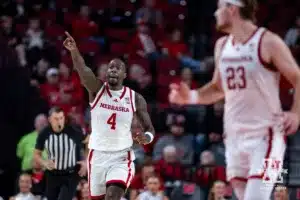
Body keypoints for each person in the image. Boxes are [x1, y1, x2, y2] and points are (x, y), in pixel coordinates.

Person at [169, 0, 300, 199]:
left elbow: (297, 77)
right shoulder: (222, 46)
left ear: (232, 8)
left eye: (219, 8)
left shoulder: (267, 41)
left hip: (265, 135)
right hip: (234, 137)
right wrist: (191, 96)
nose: (215, 14)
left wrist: (296, 113)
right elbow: (218, 88)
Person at [63, 32, 155, 200]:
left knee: (112, 196)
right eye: (110, 67)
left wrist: (146, 138)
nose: (113, 70)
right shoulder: (97, 90)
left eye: (117, 68)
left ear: (124, 75)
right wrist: (74, 51)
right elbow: (83, 70)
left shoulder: (134, 98)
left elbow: (149, 129)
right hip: (97, 155)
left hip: (121, 156)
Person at [34, 107, 87, 200]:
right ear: (50, 119)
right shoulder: (44, 133)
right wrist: (44, 163)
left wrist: (86, 161)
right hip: (52, 175)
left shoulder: (73, 131)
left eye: (61, 118)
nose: (59, 122)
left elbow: (88, 142)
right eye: (56, 119)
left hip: (70, 174)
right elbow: (36, 154)